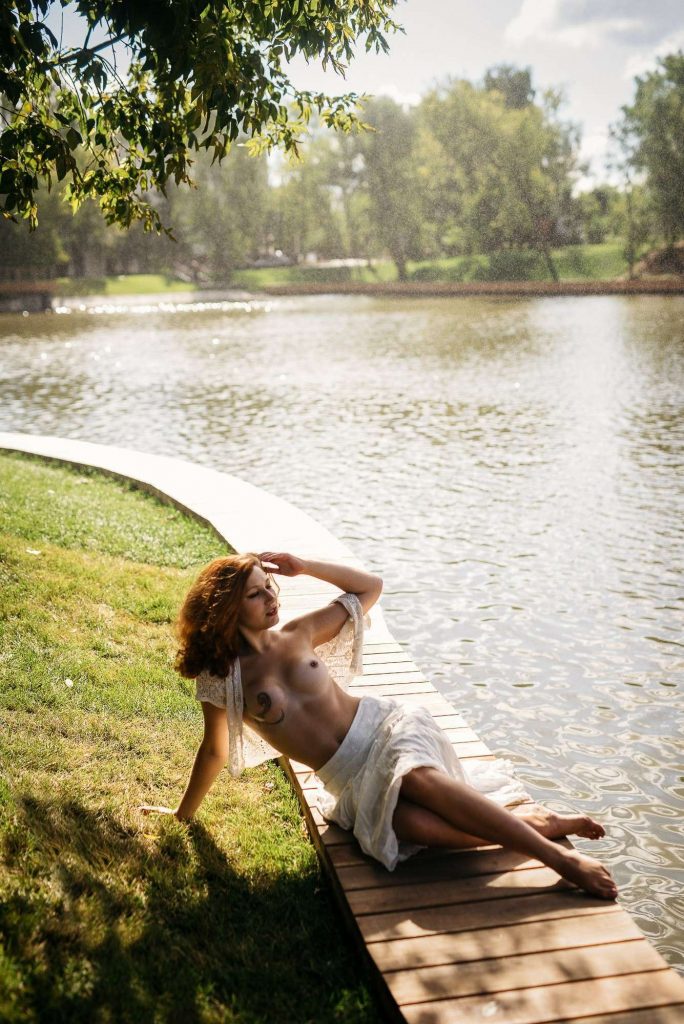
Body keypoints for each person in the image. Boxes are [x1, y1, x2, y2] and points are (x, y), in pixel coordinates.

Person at [141, 552, 617, 900]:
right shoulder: (223, 678)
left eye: (270, 586)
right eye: (255, 593)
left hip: (385, 728)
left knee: (415, 779)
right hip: (347, 775)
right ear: (226, 608)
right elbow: (214, 751)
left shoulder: (299, 632)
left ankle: (559, 859)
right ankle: (535, 824)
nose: (271, 598)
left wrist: (304, 566)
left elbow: (370, 588)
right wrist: (182, 815)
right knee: (412, 827)